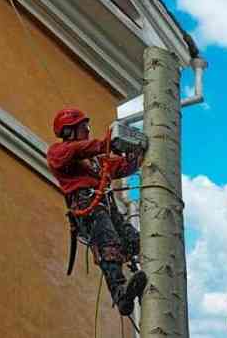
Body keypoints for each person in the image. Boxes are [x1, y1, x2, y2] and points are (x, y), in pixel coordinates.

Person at [47, 108, 147, 316]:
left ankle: (146, 277)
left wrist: (135, 154)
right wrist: (105, 144)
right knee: (108, 243)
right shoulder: (59, 151)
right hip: (87, 207)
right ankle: (120, 293)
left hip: (107, 205)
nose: (87, 130)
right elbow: (75, 151)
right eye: (84, 127)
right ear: (69, 131)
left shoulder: (96, 160)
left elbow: (120, 166)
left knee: (133, 240)